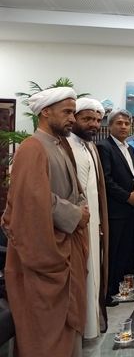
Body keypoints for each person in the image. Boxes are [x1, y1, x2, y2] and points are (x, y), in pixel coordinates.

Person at [2, 87, 90, 356]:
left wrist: (80, 208)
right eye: (67, 112)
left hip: (67, 244)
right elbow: (33, 201)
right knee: (45, 332)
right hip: (45, 253)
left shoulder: (59, 145)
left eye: (73, 112)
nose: (72, 118)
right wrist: (76, 214)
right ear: (46, 112)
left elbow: (73, 191)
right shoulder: (32, 148)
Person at [66, 97, 109, 339]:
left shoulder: (90, 146)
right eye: (87, 119)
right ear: (74, 119)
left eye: (96, 120)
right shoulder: (66, 146)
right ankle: (82, 330)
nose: (93, 124)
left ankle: (92, 325)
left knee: (94, 272)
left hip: (94, 223)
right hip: (75, 224)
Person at [97, 109, 134, 304]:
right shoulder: (104, 147)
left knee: (126, 250)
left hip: (131, 208)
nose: (123, 126)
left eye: (126, 123)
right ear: (109, 126)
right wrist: (126, 197)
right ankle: (108, 292)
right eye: (119, 123)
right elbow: (106, 180)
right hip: (115, 209)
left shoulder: (129, 148)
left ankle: (120, 288)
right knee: (113, 252)